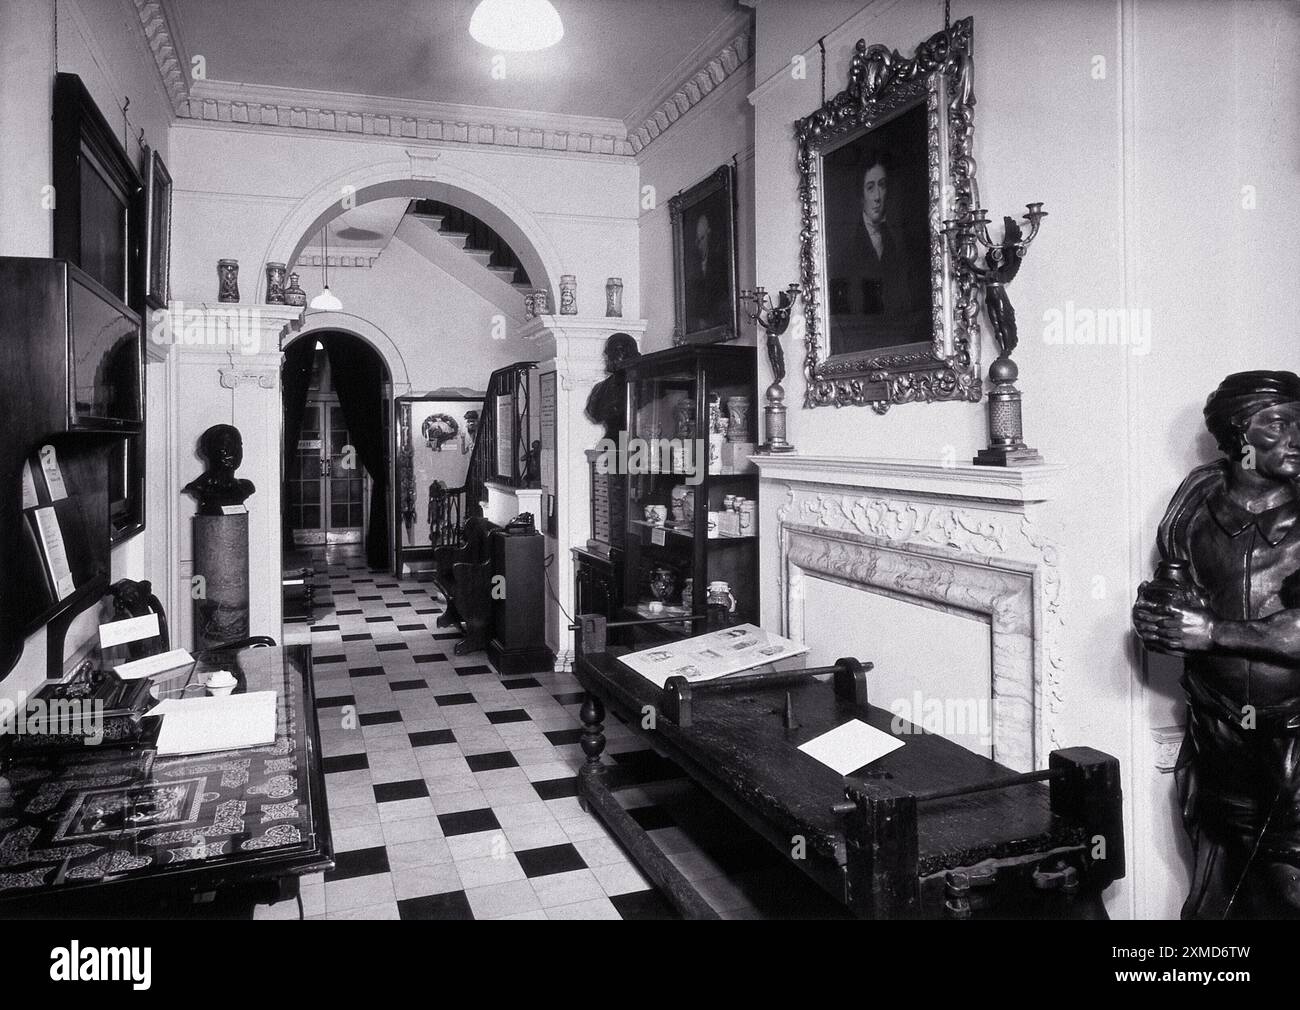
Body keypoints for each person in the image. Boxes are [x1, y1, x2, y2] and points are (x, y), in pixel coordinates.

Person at [1132, 370, 1300, 918]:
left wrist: (1213, 632)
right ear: (1238, 435)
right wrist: (1155, 618)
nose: (1297, 437)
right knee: (1222, 883)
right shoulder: (1194, 508)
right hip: (1218, 729)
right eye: (1278, 424)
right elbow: (1172, 591)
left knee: (1287, 879)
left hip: (1293, 734)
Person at [826, 147, 928, 353]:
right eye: (870, 187)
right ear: (861, 196)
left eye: (882, 186)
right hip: (859, 345)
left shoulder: (900, 239)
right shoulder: (844, 247)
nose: (877, 196)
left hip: (901, 343)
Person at [183, 424, 255, 515]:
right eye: (224, 446)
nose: (233, 452)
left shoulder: (245, 487)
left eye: (237, 445)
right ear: (207, 451)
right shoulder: (201, 486)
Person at [685, 211, 731, 333]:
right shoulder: (693, 267)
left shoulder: (719, 265)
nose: (699, 244)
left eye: (702, 238)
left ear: (709, 236)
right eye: (697, 240)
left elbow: (721, 300)